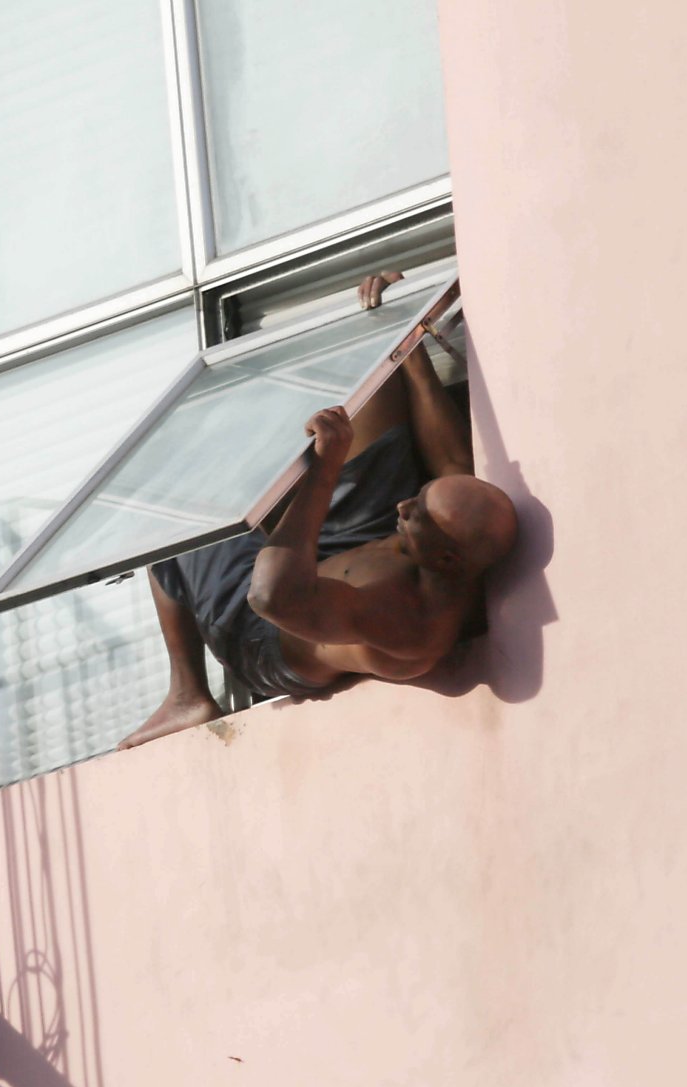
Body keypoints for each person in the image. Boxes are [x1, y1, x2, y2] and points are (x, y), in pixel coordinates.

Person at [119, 272, 518, 748]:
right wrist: (408, 341)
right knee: (371, 378)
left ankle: (187, 692)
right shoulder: (455, 543)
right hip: (359, 544)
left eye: (418, 513)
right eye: (423, 494)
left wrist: (328, 464)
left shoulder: (408, 621)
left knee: (161, 495)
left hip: (266, 628)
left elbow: (272, 595)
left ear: (448, 560)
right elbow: (452, 464)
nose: (406, 503)